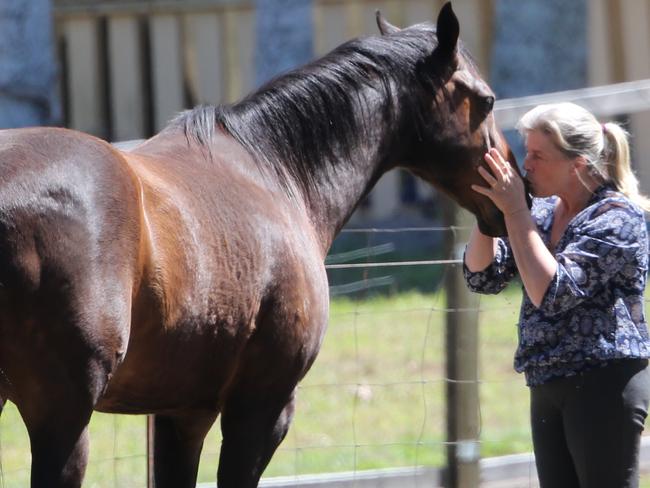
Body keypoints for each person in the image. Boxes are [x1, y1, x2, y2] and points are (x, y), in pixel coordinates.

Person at [463, 102, 650, 488]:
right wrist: (487, 212)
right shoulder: (543, 213)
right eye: (525, 152)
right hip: (547, 382)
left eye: (537, 155)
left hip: (603, 385)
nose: (525, 166)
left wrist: (515, 211)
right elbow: (483, 277)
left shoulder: (617, 219)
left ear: (577, 164)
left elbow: (552, 292)